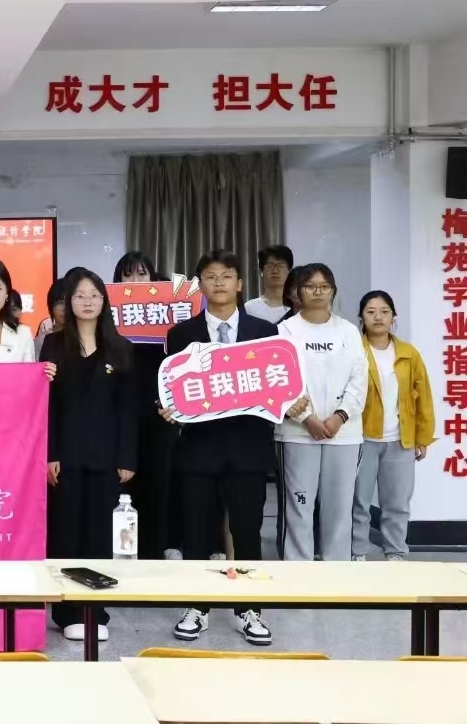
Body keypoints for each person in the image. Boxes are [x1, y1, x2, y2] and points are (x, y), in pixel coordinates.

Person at [164, 249, 280, 647]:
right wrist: (168, 408)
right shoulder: (181, 334)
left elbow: (276, 383)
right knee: (196, 533)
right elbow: (173, 388)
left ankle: (249, 610)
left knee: (247, 532)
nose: (219, 283)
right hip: (199, 450)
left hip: (249, 449)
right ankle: (197, 606)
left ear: (240, 283)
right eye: (210, 277)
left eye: (226, 276)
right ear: (200, 285)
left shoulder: (265, 332)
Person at [40, 267, 135, 642]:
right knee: (66, 533)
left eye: (94, 295)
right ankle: (66, 611)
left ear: (104, 301)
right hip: (65, 455)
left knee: (100, 534)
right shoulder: (53, 345)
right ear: (68, 302)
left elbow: (128, 409)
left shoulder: (120, 348)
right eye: (79, 296)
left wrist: (127, 457)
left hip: (107, 456)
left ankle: (96, 610)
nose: (87, 302)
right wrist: (49, 453)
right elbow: (47, 405)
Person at [276, 263, 368, 563]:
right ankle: (298, 568)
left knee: (338, 507)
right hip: (298, 433)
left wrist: (340, 416)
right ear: (298, 292)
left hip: (344, 434)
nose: (318, 291)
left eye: (325, 286)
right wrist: (308, 419)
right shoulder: (285, 330)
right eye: (311, 286)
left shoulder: (348, 331)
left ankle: (336, 570)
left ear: (333, 291)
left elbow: (359, 379)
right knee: (299, 505)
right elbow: (280, 377)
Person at [352, 291, 434, 561]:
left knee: (397, 503)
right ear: (361, 317)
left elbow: (424, 398)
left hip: (401, 440)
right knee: (359, 501)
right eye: (371, 311)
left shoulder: (409, 354)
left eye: (384, 311)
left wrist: (422, 437)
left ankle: (395, 552)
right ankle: (357, 552)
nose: (378, 317)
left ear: (393, 317)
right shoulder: (354, 350)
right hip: (361, 438)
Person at [112, 251, 176, 565]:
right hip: (118, 416)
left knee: (157, 487)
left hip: (158, 415)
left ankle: (153, 556)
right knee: (123, 487)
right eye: (128, 275)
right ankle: (121, 556)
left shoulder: (169, 314)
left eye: (141, 274)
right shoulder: (108, 317)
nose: (135, 281)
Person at [244, 245, 294, 324]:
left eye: (281, 266)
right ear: (261, 271)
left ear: (289, 271)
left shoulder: (296, 307)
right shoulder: (249, 308)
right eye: (270, 266)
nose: (275, 271)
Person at [35, 280, 66, 353]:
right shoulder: (41, 342)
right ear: (50, 307)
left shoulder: (86, 339)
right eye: (61, 302)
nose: (65, 308)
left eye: (69, 302)